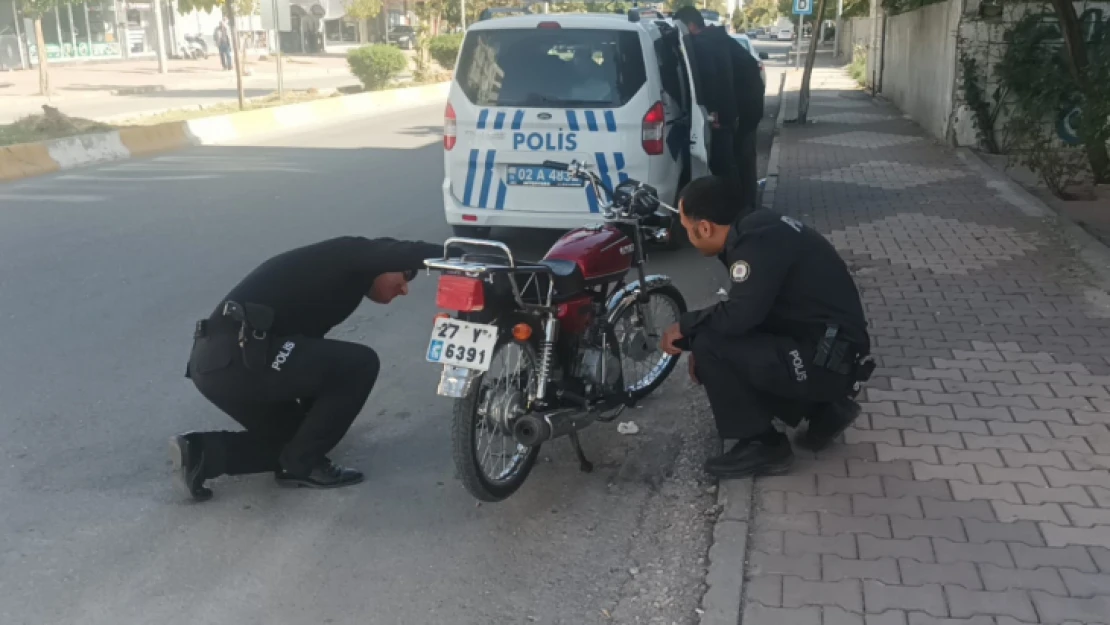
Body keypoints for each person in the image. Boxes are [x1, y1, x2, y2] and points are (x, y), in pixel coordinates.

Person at [171, 236, 444, 501]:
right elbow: (406, 250)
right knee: (360, 364)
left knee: (301, 439)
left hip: (217, 366)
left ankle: (200, 454)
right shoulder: (349, 253)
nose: (405, 289)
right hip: (238, 358)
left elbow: (311, 361)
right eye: (406, 276)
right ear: (383, 261)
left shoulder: (340, 289)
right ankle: (303, 466)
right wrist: (468, 255)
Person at [660, 177, 874, 479]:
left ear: (705, 227)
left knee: (709, 343)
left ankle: (763, 444)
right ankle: (823, 410)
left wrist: (687, 327)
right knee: (715, 336)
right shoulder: (758, 228)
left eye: (687, 229)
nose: (688, 238)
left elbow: (739, 315)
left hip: (827, 359)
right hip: (834, 353)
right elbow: (755, 310)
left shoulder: (755, 242)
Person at [673, 6, 765, 210]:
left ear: (690, 25)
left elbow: (715, 78)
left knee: (726, 164)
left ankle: (733, 210)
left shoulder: (706, 43)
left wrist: (715, 113)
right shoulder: (718, 39)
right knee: (743, 160)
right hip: (746, 109)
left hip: (729, 114)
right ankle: (746, 206)